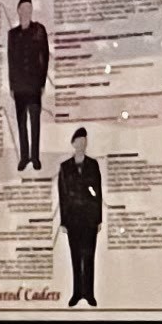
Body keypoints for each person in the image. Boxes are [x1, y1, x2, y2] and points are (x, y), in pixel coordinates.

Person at [58, 128, 105, 306]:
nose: (82, 145)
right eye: (78, 142)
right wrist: (63, 221)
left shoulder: (93, 164)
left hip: (90, 218)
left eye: (84, 142)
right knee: (75, 256)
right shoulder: (65, 167)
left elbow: (98, 192)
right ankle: (77, 293)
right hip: (72, 219)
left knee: (89, 255)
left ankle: (89, 293)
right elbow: (62, 194)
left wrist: (99, 218)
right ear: (73, 143)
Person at [6, 0, 50, 172]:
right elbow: (11, 60)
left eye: (29, 9)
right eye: (23, 9)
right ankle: (24, 157)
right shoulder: (12, 34)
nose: (27, 12)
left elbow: (45, 57)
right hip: (19, 86)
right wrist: (11, 86)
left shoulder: (39, 30)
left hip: (34, 85)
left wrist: (42, 83)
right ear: (18, 11)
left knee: (35, 122)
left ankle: (35, 157)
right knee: (21, 123)